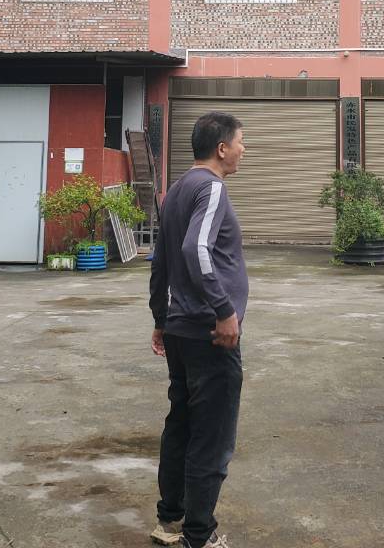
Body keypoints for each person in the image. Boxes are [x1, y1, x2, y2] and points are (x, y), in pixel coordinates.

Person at [148, 112, 249, 548]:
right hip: (210, 333)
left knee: (182, 426)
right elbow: (195, 248)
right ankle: (199, 536)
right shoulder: (211, 187)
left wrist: (160, 318)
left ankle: (170, 521)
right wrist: (224, 310)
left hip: (180, 330)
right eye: (241, 142)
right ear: (222, 149)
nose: (244, 149)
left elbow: (160, 260)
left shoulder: (175, 191)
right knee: (211, 437)